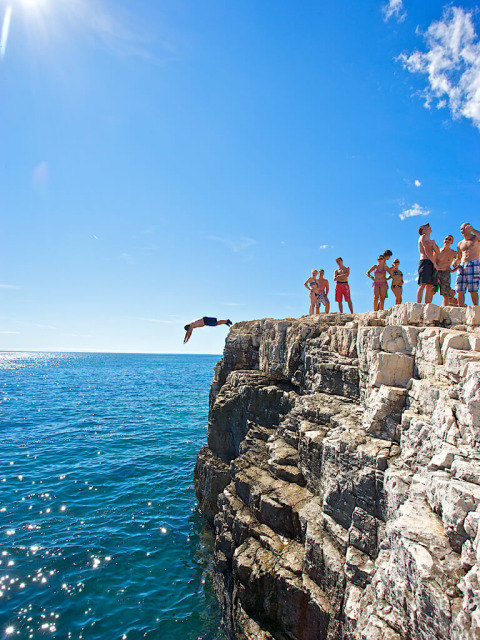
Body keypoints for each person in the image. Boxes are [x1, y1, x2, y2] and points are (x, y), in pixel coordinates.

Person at [454, 222, 480, 307]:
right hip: (462, 265)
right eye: (461, 228)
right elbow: (459, 257)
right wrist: (455, 262)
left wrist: (472, 230)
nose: (463, 229)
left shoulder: (476, 238)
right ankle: (460, 309)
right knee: (459, 289)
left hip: (473, 263)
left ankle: (476, 309)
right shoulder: (460, 243)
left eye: (465, 227)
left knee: (473, 289)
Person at [417, 223, 439, 304]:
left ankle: (427, 305)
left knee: (430, 285)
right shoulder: (423, 237)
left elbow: (437, 251)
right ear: (423, 229)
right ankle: (418, 304)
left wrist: (433, 244)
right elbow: (427, 251)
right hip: (425, 262)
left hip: (431, 263)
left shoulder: (430, 240)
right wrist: (435, 263)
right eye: (427, 226)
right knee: (422, 284)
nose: (429, 226)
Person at [436, 235, 459, 307]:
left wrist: (453, 269)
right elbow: (433, 262)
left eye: (450, 239)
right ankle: (428, 307)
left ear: (452, 242)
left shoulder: (453, 253)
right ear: (443, 240)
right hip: (436, 272)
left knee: (445, 294)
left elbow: (461, 260)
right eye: (446, 239)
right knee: (431, 290)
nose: (447, 240)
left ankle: (445, 309)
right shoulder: (438, 251)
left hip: (446, 273)